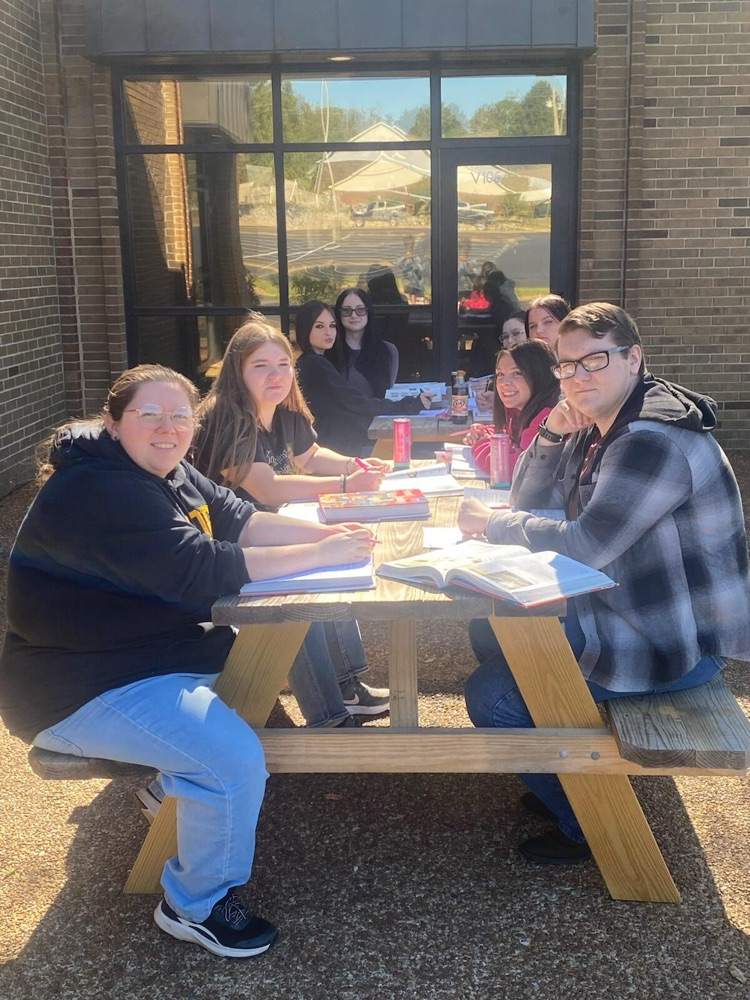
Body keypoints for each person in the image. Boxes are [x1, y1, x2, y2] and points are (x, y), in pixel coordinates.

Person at [0, 364, 376, 957]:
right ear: (112, 422)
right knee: (231, 760)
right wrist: (321, 551)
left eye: (179, 415)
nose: (167, 427)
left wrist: (336, 537)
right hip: (76, 686)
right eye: (148, 414)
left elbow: (238, 517)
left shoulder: (165, 469)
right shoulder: (100, 488)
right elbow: (202, 567)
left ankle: (176, 780)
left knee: (278, 639)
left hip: (147, 653)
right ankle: (193, 904)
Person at [457, 303, 750, 865]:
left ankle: (589, 820)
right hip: (625, 608)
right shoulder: (600, 425)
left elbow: (585, 543)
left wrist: (490, 523)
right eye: (567, 367)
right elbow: (531, 506)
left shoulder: (651, 441)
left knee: (493, 697)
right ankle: (565, 759)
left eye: (594, 360)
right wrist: (548, 434)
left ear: (634, 358)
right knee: (491, 630)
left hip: (676, 640)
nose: (577, 377)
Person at [193, 316, 390, 724]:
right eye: (260, 366)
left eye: (282, 364)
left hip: (270, 529)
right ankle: (329, 715)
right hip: (228, 547)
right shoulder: (224, 418)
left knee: (342, 557)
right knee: (302, 591)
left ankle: (346, 683)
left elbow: (311, 456)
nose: (276, 375)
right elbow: (266, 488)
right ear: (237, 371)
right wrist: (345, 485)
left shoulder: (284, 408)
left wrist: (356, 464)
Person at [295, 300, 431, 456]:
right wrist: (410, 404)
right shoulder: (314, 364)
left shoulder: (312, 362)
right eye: (319, 326)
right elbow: (355, 402)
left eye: (332, 326)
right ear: (305, 329)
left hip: (334, 446)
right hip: (336, 450)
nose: (328, 332)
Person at [462, 340, 560, 478]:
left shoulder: (547, 417)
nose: (504, 382)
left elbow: (512, 468)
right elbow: (510, 437)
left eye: (517, 373)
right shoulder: (517, 408)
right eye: (500, 374)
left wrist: (481, 443)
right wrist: (486, 432)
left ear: (539, 375)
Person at [332, 287, 399, 396]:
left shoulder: (388, 351)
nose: (354, 315)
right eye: (346, 310)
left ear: (368, 312)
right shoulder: (329, 351)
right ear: (339, 314)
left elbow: (389, 393)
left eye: (360, 310)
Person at [471, 311, 529, 409]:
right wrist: (495, 401)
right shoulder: (505, 362)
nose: (510, 341)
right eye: (505, 337)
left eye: (516, 333)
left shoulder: (540, 365)